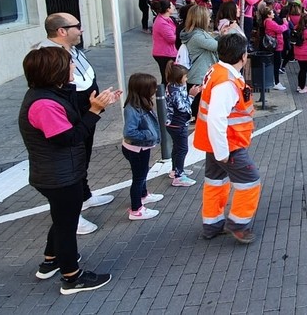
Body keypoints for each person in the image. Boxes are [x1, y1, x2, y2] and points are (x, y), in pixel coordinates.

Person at [19, 47, 118, 294]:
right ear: (55, 71)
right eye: (69, 65)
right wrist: (95, 111)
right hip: (58, 175)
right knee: (66, 224)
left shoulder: (52, 94)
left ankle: (50, 261)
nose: (74, 68)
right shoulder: (43, 104)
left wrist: (95, 105)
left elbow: (71, 120)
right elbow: (70, 137)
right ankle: (71, 277)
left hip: (59, 172)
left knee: (62, 217)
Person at [35, 13, 111, 236]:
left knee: (82, 156)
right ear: (62, 31)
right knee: (70, 161)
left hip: (84, 111)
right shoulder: (48, 56)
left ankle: (85, 195)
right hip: (69, 117)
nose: (81, 30)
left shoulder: (71, 50)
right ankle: (71, 216)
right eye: (76, 26)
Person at [194, 33, 261, 244]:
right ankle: (238, 224)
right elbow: (216, 118)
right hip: (228, 145)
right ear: (243, 56)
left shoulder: (217, 70)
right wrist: (223, 152)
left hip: (214, 143)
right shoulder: (227, 82)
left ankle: (212, 224)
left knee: (215, 182)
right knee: (250, 182)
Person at [121, 73, 163, 221]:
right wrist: (148, 134)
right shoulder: (132, 108)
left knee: (143, 173)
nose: (155, 90)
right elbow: (129, 131)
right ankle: (136, 209)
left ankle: (143, 195)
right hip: (136, 149)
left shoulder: (141, 103)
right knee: (138, 178)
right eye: (152, 87)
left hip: (141, 148)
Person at [164, 63, 200, 187]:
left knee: (177, 148)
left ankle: (176, 170)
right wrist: (192, 96)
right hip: (177, 124)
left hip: (174, 124)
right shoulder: (174, 91)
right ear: (178, 78)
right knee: (182, 149)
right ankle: (179, 176)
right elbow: (182, 107)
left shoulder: (173, 86)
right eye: (185, 77)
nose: (186, 79)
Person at [179, 6, 217, 117]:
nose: (210, 19)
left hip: (199, 74)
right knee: (200, 112)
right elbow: (216, 46)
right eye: (208, 17)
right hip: (199, 76)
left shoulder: (196, 33)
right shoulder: (197, 36)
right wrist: (226, 35)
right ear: (201, 19)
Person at [151, 0, 178, 84]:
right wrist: (179, 35)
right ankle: (164, 95)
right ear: (167, 9)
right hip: (164, 54)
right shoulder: (161, 22)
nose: (174, 7)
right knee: (167, 78)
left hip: (168, 52)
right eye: (172, 6)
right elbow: (171, 39)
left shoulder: (167, 19)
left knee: (169, 77)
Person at [262, 8, 289, 91]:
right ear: (268, 15)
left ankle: (276, 82)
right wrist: (285, 24)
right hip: (276, 46)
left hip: (277, 45)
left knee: (276, 63)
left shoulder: (268, 21)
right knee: (277, 64)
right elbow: (280, 29)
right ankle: (276, 82)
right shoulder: (269, 22)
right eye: (272, 12)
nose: (274, 13)